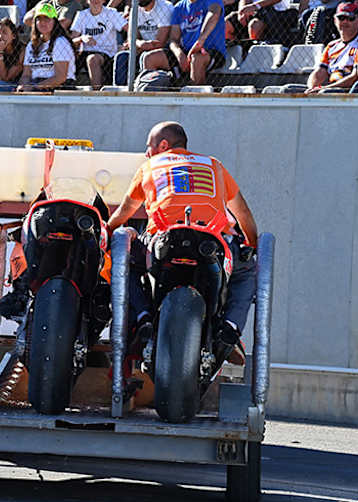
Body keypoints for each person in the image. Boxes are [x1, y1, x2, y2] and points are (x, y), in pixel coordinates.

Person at [107, 121, 258, 366]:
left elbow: (125, 212)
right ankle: (230, 329)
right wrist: (252, 246)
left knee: (127, 266)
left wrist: (106, 232)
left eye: (149, 146)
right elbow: (243, 212)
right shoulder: (214, 165)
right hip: (211, 245)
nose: (146, 152)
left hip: (163, 244)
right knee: (247, 271)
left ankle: (143, 318)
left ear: (163, 145)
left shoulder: (150, 166)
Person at [140, 0, 228, 86]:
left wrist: (200, 41)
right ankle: (149, 91)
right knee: (149, 58)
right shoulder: (179, 7)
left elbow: (214, 14)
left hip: (211, 50)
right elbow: (173, 39)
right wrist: (179, 54)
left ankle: (195, 93)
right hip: (186, 51)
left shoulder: (212, 1)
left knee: (196, 58)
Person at [16, 2, 77, 91]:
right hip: (36, 85)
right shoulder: (31, 44)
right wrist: (23, 86)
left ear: (54, 22)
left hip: (58, 88)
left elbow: (60, 78)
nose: (43, 22)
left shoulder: (60, 42)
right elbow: (26, 75)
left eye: (47, 19)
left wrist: (34, 87)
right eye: (39, 19)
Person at [305, 2, 358, 92]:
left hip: (349, 91)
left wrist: (325, 88)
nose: (345, 22)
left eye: (350, 18)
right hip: (329, 87)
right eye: (341, 18)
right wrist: (312, 89)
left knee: (325, 92)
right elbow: (319, 72)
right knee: (288, 89)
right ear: (335, 21)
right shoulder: (331, 46)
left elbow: (354, 78)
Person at [112, 0, 172, 86]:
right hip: (141, 47)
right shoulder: (135, 9)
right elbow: (131, 39)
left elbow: (160, 42)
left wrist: (138, 44)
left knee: (146, 56)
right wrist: (141, 44)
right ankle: (121, 91)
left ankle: (144, 88)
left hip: (164, 50)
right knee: (121, 56)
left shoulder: (165, 7)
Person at [70, 0, 127, 89]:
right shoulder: (81, 15)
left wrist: (126, 43)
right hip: (85, 52)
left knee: (92, 59)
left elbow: (129, 29)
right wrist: (82, 38)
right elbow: (72, 41)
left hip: (107, 53)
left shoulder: (111, 13)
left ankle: (97, 92)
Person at [224, 0, 297, 45]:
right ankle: (240, 52)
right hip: (252, 11)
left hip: (275, 15)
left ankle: (253, 53)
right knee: (225, 25)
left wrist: (255, 6)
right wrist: (242, 12)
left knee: (254, 26)